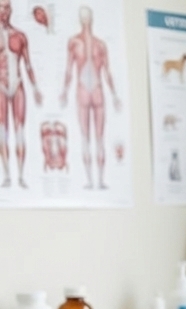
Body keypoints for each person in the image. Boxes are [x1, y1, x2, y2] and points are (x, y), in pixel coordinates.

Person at [60, 5, 121, 189]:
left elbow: (106, 71)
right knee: (90, 137)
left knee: (95, 137)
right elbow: (69, 70)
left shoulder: (91, 44)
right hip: (91, 89)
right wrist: (64, 91)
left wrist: (115, 94)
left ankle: (97, 180)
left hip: (91, 89)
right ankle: (94, 180)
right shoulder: (87, 44)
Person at [0, 0, 43, 188]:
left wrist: (35, 88)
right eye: (1, 7)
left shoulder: (20, 36)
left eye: (7, 7)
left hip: (17, 84)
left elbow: (27, 64)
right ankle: (8, 175)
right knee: (2, 130)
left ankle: (21, 175)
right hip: (0, 85)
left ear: (11, 10)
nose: (4, 11)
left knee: (19, 130)